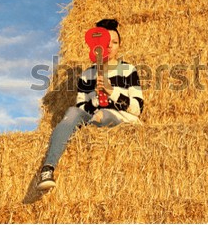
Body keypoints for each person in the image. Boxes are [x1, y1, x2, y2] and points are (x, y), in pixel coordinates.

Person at [37, 19, 144, 191]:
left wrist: (111, 92)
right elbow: (81, 107)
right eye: (105, 42)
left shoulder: (128, 70)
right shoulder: (87, 75)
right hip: (94, 117)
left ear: (120, 45)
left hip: (122, 119)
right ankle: (48, 168)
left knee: (104, 115)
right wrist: (95, 100)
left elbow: (138, 108)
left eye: (114, 42)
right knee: (72, 112)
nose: (109, 46)